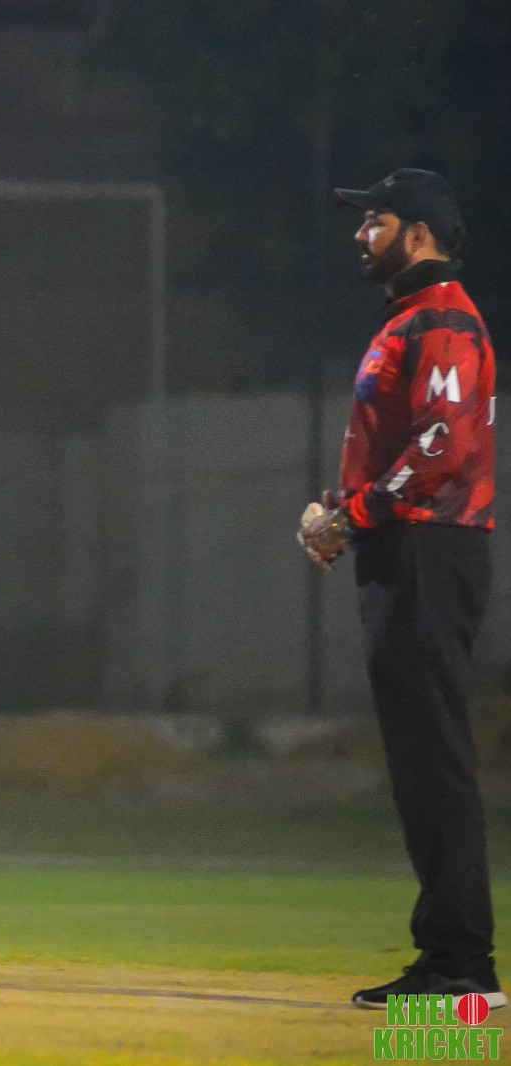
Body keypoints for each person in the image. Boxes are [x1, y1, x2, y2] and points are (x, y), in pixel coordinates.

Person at [298, 168, 501, 1009]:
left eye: (374, 221)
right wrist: (345, 512)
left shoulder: (442, 319)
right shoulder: (415, 319)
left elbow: (441, 445)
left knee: (434, 759)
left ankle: (463, 969)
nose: (361, 235)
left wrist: (350, 517)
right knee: (420, 761)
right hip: (409, 547)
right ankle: (447, 956)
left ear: (418, 235)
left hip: (427, 550)